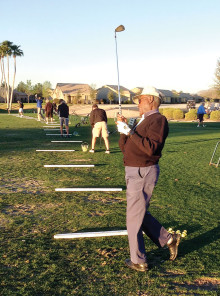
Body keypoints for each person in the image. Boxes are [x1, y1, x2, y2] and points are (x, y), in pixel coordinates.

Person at [116, 86, 181, 272]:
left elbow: (151, 148)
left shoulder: (158, 120)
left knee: (133, 217)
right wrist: (123, 130)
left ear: (151, 100)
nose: (137, 103)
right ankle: (168, 239)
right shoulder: (141, 121)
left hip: (143, 171)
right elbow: (125, 148)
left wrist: (131, 132)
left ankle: (138, 260)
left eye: (140, 99)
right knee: (138, 213)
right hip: (133, 170)